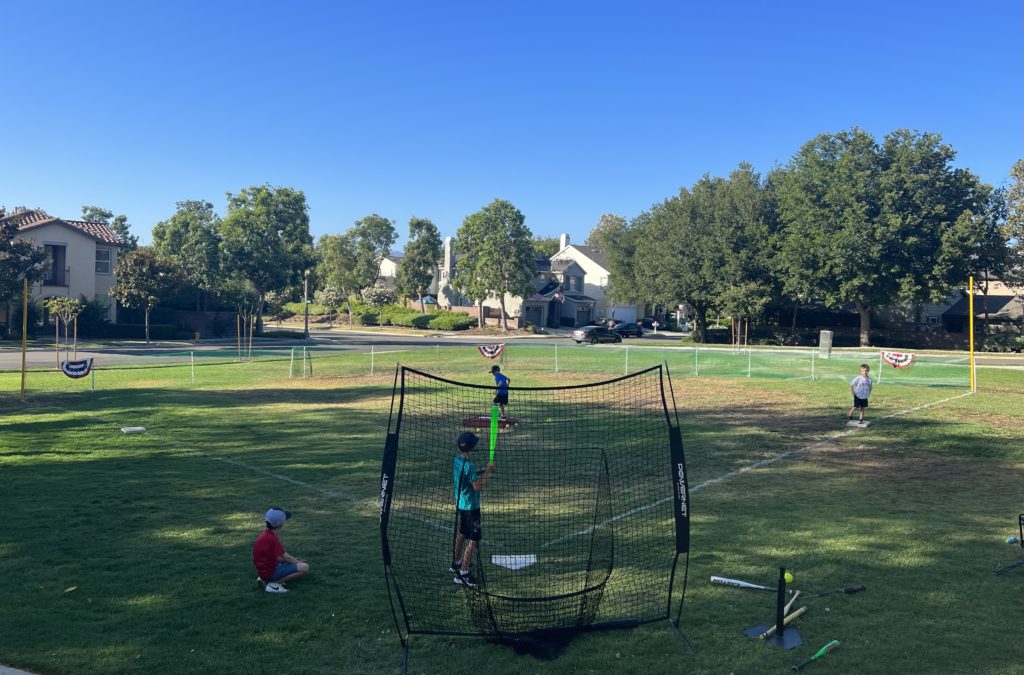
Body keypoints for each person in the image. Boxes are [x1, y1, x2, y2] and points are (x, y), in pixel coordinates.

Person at [450, 431, 495, 588]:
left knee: (462, 533)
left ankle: (456, 563)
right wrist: (487, 473)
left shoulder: (457, 460)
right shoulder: (470, 466)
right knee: (474, 539)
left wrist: (483, 470)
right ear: (471, 448)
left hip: (461, 504)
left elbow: (469, 475)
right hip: (471, 507)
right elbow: (477, 486)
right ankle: (463, 573)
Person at [252, 506, 310, 594]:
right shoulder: (272, 539)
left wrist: (295, 560)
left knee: (289, 562)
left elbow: (276, 557)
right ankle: (276, 584)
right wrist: (299, 563)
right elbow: (287, 558)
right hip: (270, 572)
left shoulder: (264, 535)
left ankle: (263, 579)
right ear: (280, 524)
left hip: (263, 570)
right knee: (305, 567)